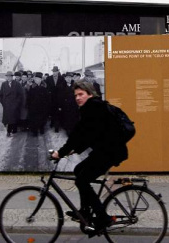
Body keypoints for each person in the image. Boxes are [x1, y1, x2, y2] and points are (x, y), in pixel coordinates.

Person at [51, 80, 127, 235]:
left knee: (82, 180)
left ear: (90, 94)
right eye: (76, 95)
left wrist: (61, 152)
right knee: (79, 170)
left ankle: (103, 218)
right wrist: (74, 150)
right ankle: (85, 212)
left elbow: (77, 134)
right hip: (106, 150)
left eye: (81, 94)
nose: (78, 98)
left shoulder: (92, 108)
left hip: (109, 152)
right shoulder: (94, 107)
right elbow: (89, 135)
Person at [0, 71, 26, 136]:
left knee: (14, 118)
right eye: (7, 76)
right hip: (7, 105)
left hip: (15, 105)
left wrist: (17, 103)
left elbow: (21, 95)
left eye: (10, 76)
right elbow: (1, 95)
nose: (8, 78)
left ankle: (14, 129)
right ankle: (8, 131)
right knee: (8, 119)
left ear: (12, 77)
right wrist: (3, 103)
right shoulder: (4, 84)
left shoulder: (17, 84)